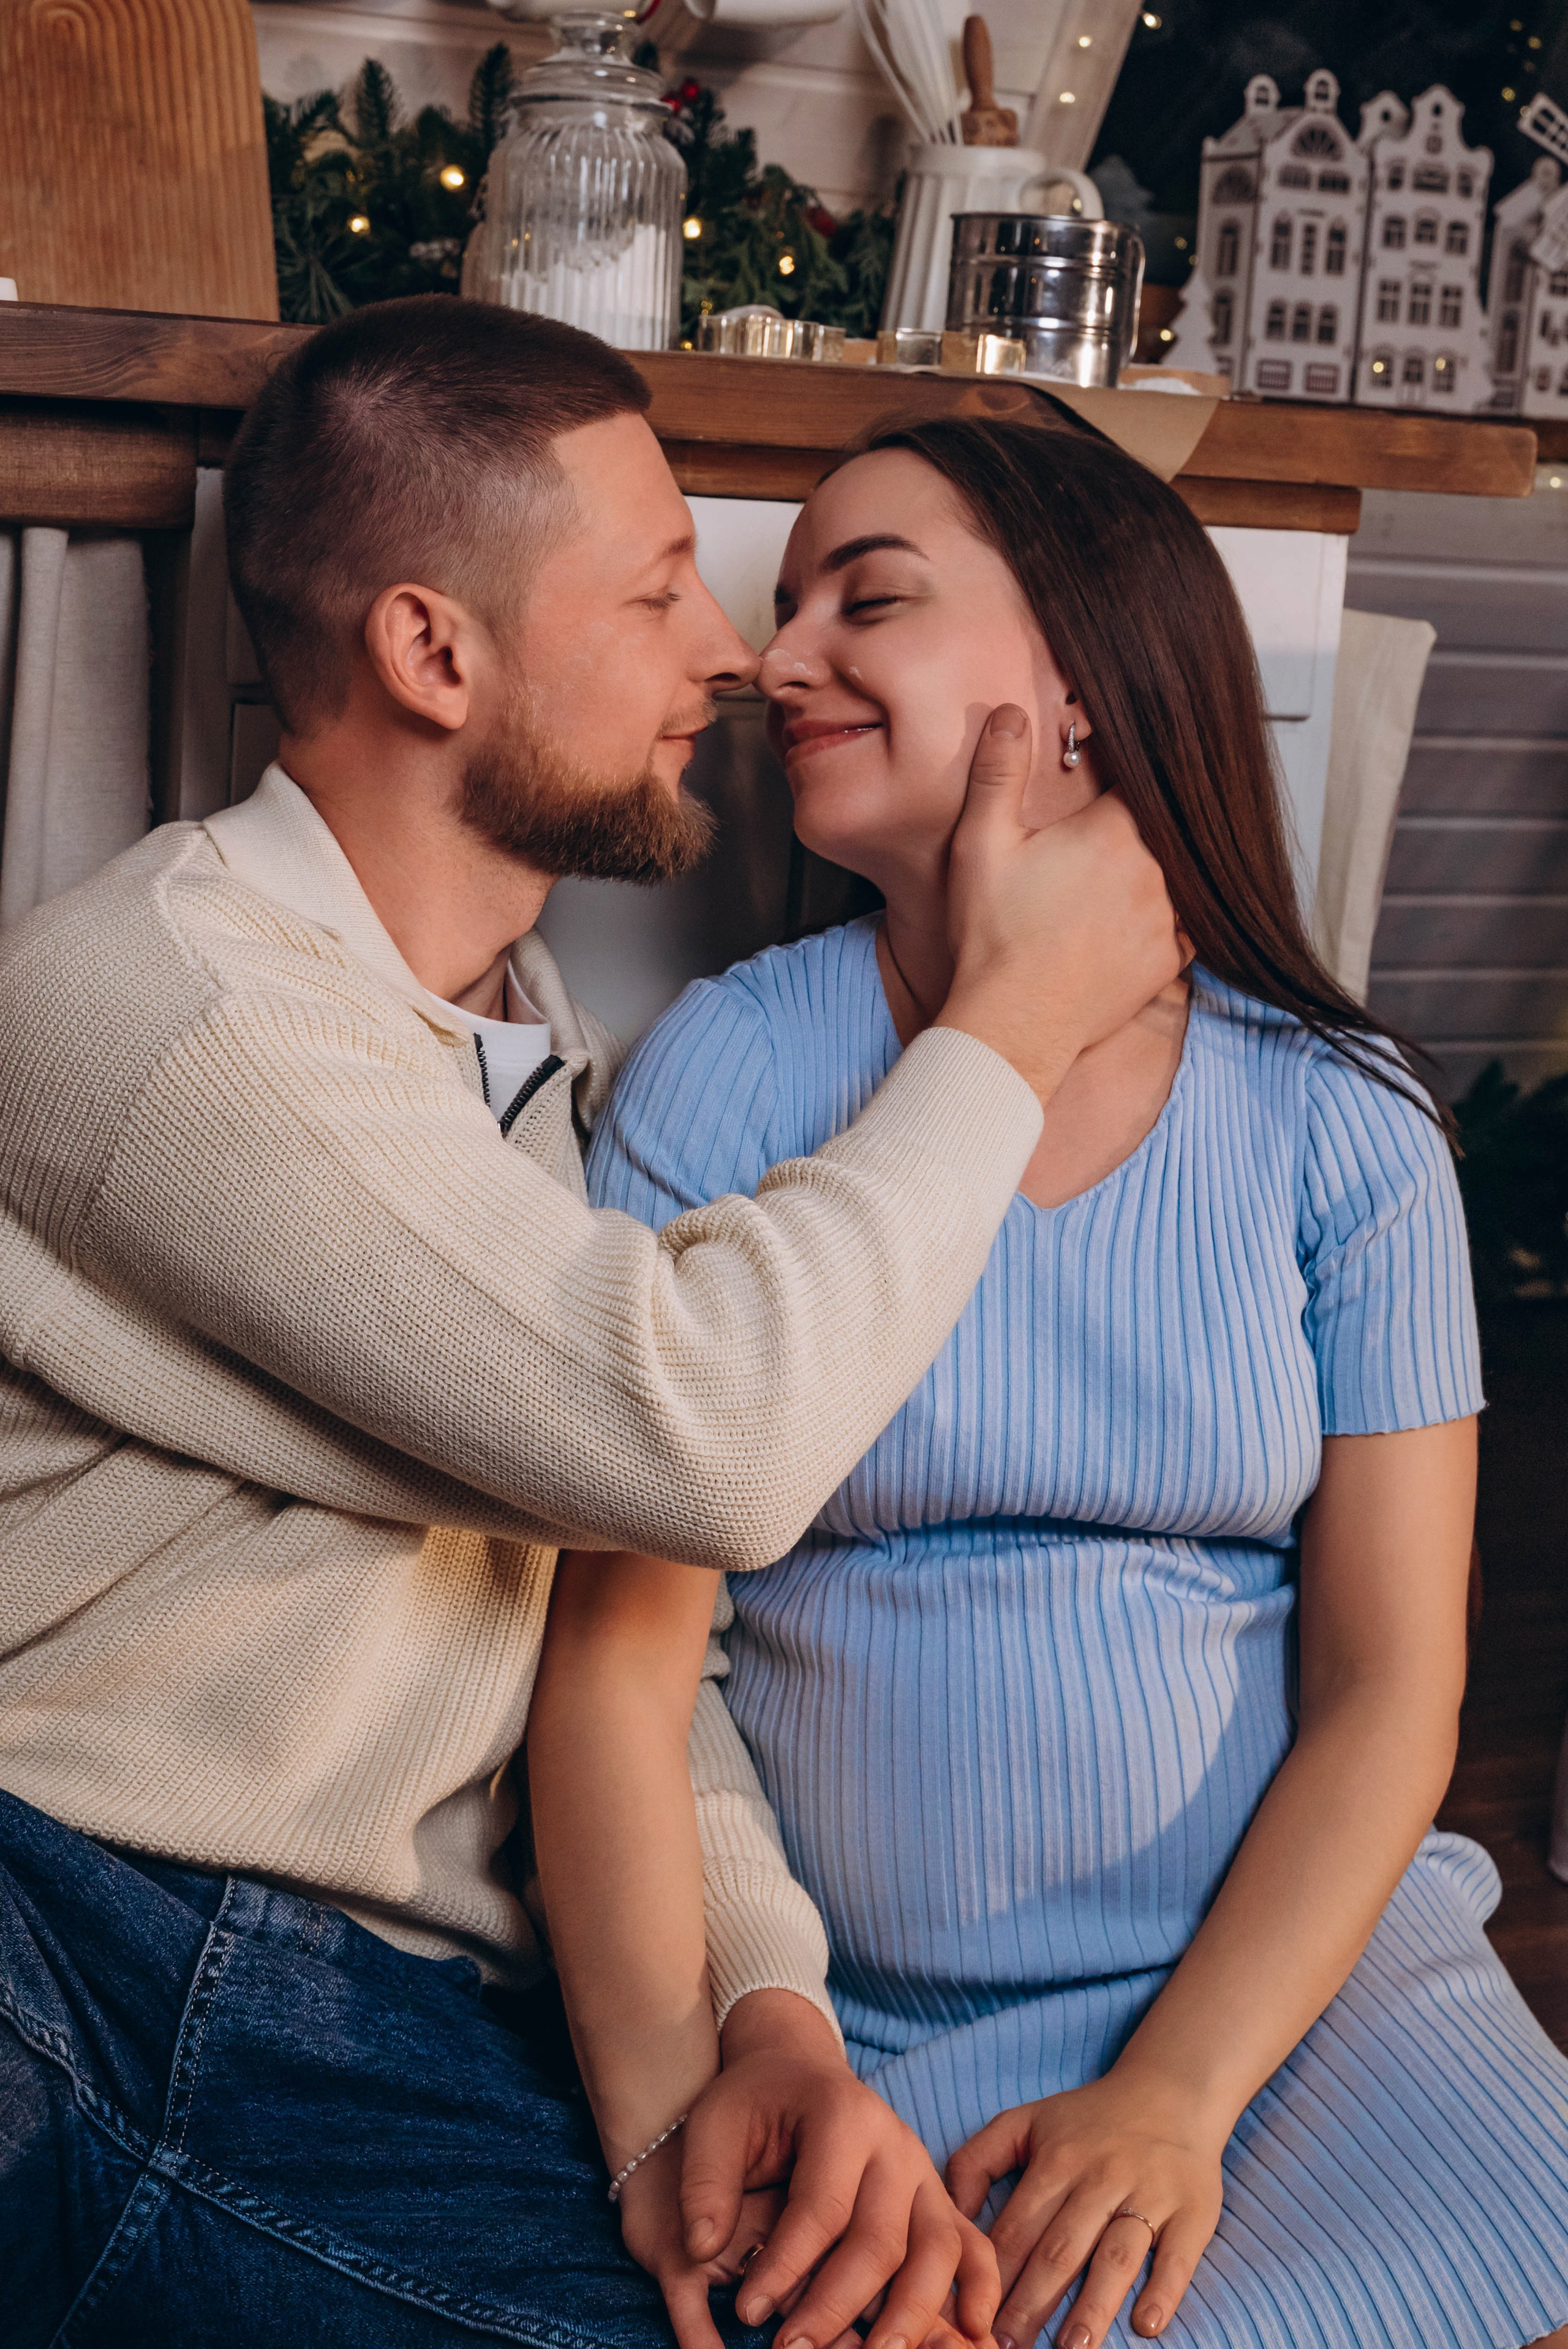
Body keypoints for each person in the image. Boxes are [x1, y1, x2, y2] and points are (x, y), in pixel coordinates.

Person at [0, 308, 1186, 2344]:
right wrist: (1016, 1016)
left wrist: (765, 2013)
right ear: (431, 650)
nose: (729, 657)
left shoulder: (528, 1059)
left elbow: (621, 1600)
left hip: (360, 1998)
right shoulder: (167, 1001)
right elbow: (708, 1439)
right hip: (100, 1934)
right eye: (656, 591)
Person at [537, 415, 1568, 2349]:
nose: (781, 658)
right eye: (790, 604)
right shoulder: (727, 1073)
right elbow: (614, 1668)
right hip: (857, 2034)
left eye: (875, 598)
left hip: (1299, 1989)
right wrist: (675, 2117)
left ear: (1082, 684)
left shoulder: (1341, 1122)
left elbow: (1391, 1684)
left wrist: (1181, 2092)